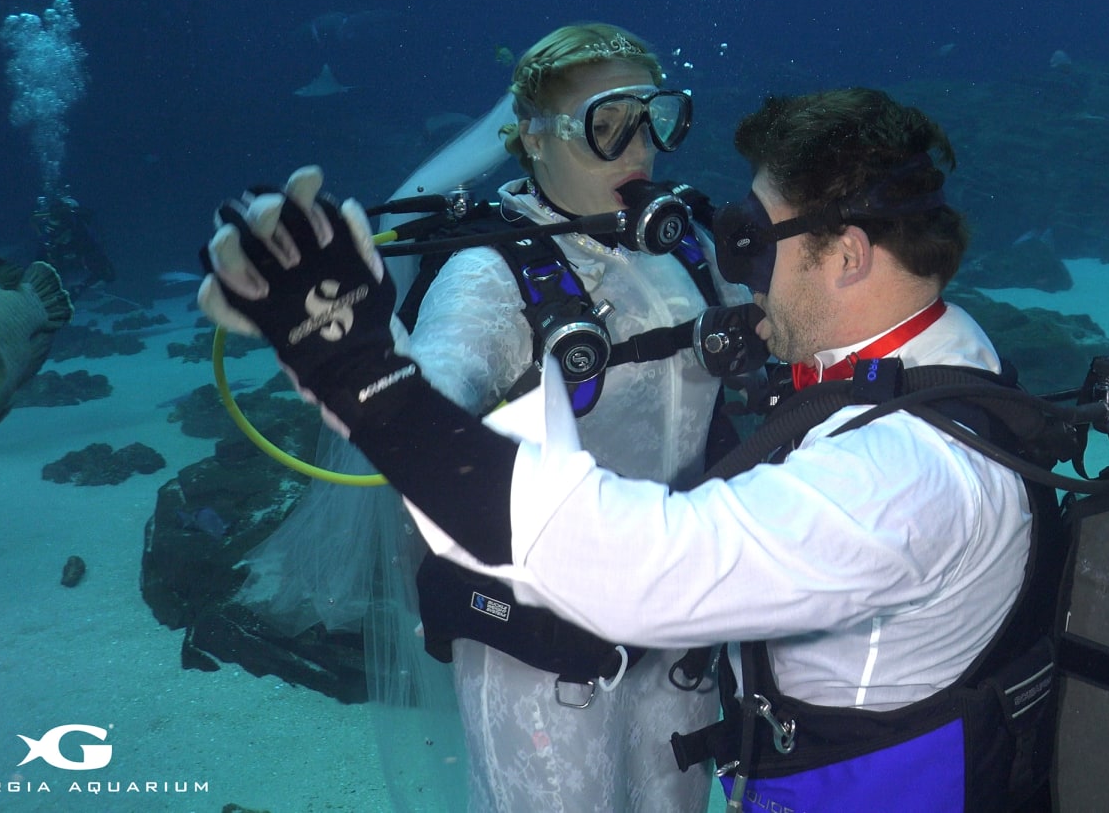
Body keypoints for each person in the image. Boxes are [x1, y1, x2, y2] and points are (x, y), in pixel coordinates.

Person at [200, 87, 1051, 811]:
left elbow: (643, 568)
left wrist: (360, 372)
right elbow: (459, 367)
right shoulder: (949, 358)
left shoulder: (899, 478)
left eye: (756, 241)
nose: (740, 270)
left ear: (852, 254)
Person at [228, 23, 748, 812]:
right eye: (610, 124)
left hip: (680, 642)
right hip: (541, 660)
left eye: (658, 118)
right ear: (532, 141)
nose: (640, 147)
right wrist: (363, 352)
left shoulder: (685, 251)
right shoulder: (489, 273)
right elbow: (428, 402)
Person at [32, 192, 114, 297]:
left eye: (59, 232)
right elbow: (38, 267)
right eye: (52, 232)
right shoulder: (49, 243)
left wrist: (80, 288)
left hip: (81, 268)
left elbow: (108, 273)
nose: (55, 237)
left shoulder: (85, 240)